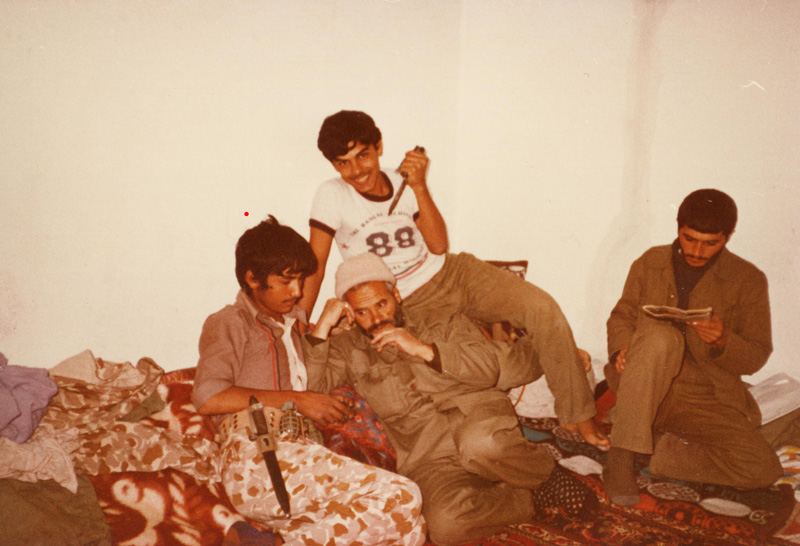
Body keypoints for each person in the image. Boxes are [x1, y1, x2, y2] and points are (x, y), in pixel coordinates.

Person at [302, 110, 608, 449]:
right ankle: (553, 353)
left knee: (540, 306)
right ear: (334, 166)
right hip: (405, 301)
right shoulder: (331, 195)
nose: (357, 170)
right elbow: (316, 263)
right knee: (477, 369)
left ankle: (580, 414)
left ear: (379, 147)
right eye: (343, 163)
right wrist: (301, 318)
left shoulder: (402, 180)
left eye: (363, 155)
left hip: (451, 273)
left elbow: (437, 245)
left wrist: (419, 186)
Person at [304, 253, 596, 546]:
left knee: (481, 444)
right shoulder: (348, 348)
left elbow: (488, 368)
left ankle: (548, 475)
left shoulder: (438, 316)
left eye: (382, 304)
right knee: (446, 527)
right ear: (350, 313)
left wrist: (422, 348)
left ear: (397, 295)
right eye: (362, 311)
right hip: (429, 456)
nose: (377, 318)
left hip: (476, 419)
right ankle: (527, 496)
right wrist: (323, 326)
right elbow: (312, 390)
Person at [191, 216, 426, 546]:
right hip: (258, 455)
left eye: (300, 279)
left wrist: (329, 328)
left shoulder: (294, 324)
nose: (298, 291)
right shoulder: (230, 321)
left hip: (299, 456)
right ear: (253, 278)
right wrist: (298, 400)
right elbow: (208, 396)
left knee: (411, 530)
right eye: (286, 281)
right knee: (403, 495)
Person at [603, 189, 783, 506]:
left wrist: (724, 341)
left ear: (727, 237)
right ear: (678, 227)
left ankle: (658, 450)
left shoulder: (748, 279)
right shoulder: (650, 262)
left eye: (710, 243)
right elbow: (622, 316)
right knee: (662, 337)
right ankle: (620, 457)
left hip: (704, 394)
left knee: (762, 469)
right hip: (644, 377)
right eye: (689, 239)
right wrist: (621, 350)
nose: (697, 251)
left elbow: (756, 355)